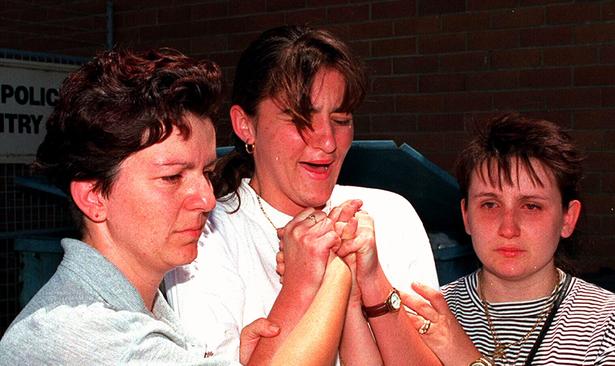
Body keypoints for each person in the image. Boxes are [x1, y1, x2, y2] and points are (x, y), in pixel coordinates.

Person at [0, 48, 354, 365]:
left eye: (206, 172)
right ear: (94, 196)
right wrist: (331, 273)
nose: (207, 199)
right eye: (172, 177)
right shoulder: (83, 334)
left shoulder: (142, 312)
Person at [164, 25, 441, 365]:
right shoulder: (204, 233)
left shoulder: (391, 214)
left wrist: (373, 284)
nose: (327, 142)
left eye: (341, 119)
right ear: (245, 125)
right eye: (300, 118)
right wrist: (307, 284)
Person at [401, 113, 615, 365]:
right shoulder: (426, 315)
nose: (508, 228)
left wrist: (462, 355)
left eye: (531, 206)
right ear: (466, 216)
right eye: (489, 204)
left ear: (567, 218)